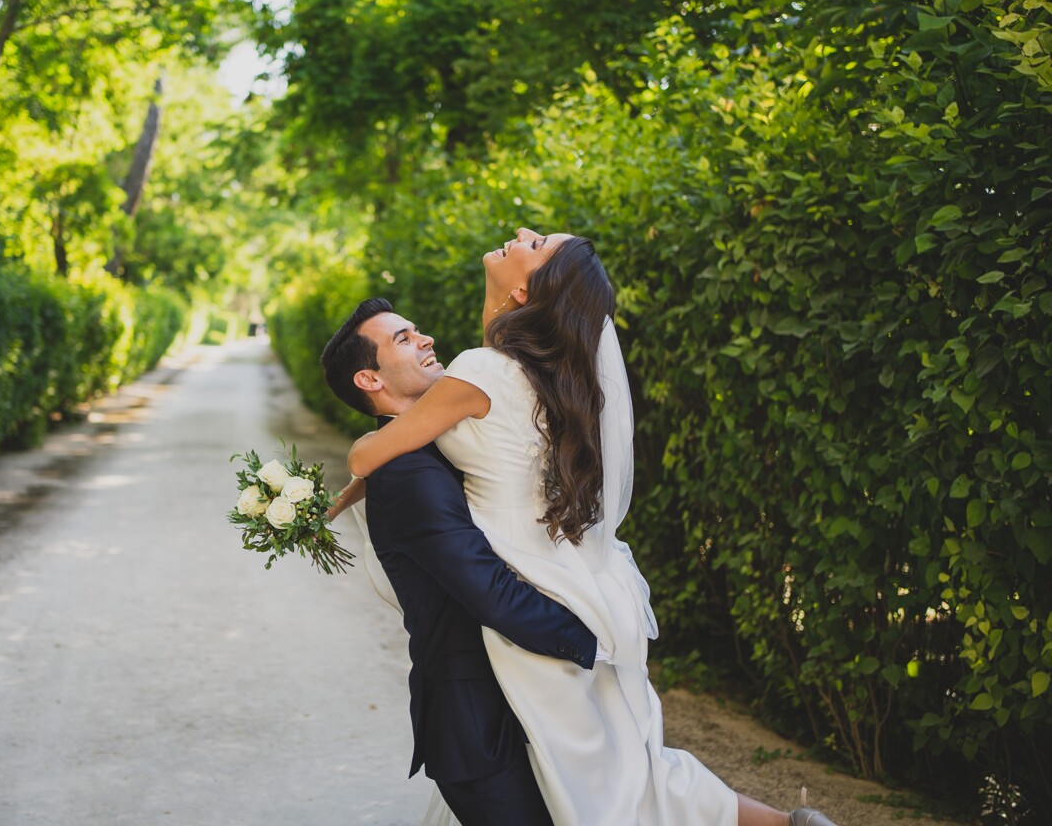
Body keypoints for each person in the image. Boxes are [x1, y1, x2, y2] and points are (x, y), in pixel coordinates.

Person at [338, 230, 838, 826]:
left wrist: (358, 467)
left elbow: (370, 456)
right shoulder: (544, 372)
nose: (522, 233)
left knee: (588, 788)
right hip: (588, 579)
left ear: (527, 287)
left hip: (534, 587)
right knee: (619, 764)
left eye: (538, 241)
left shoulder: (479, 371)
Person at [319, 298, 604, 826]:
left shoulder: (442, 443)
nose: (425, 339)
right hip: (479, 724)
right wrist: (593, 643)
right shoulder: (406, 474)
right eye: (403, 339)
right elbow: (486, 587)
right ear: (368, 379)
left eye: (418, 328)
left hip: (517, 699)